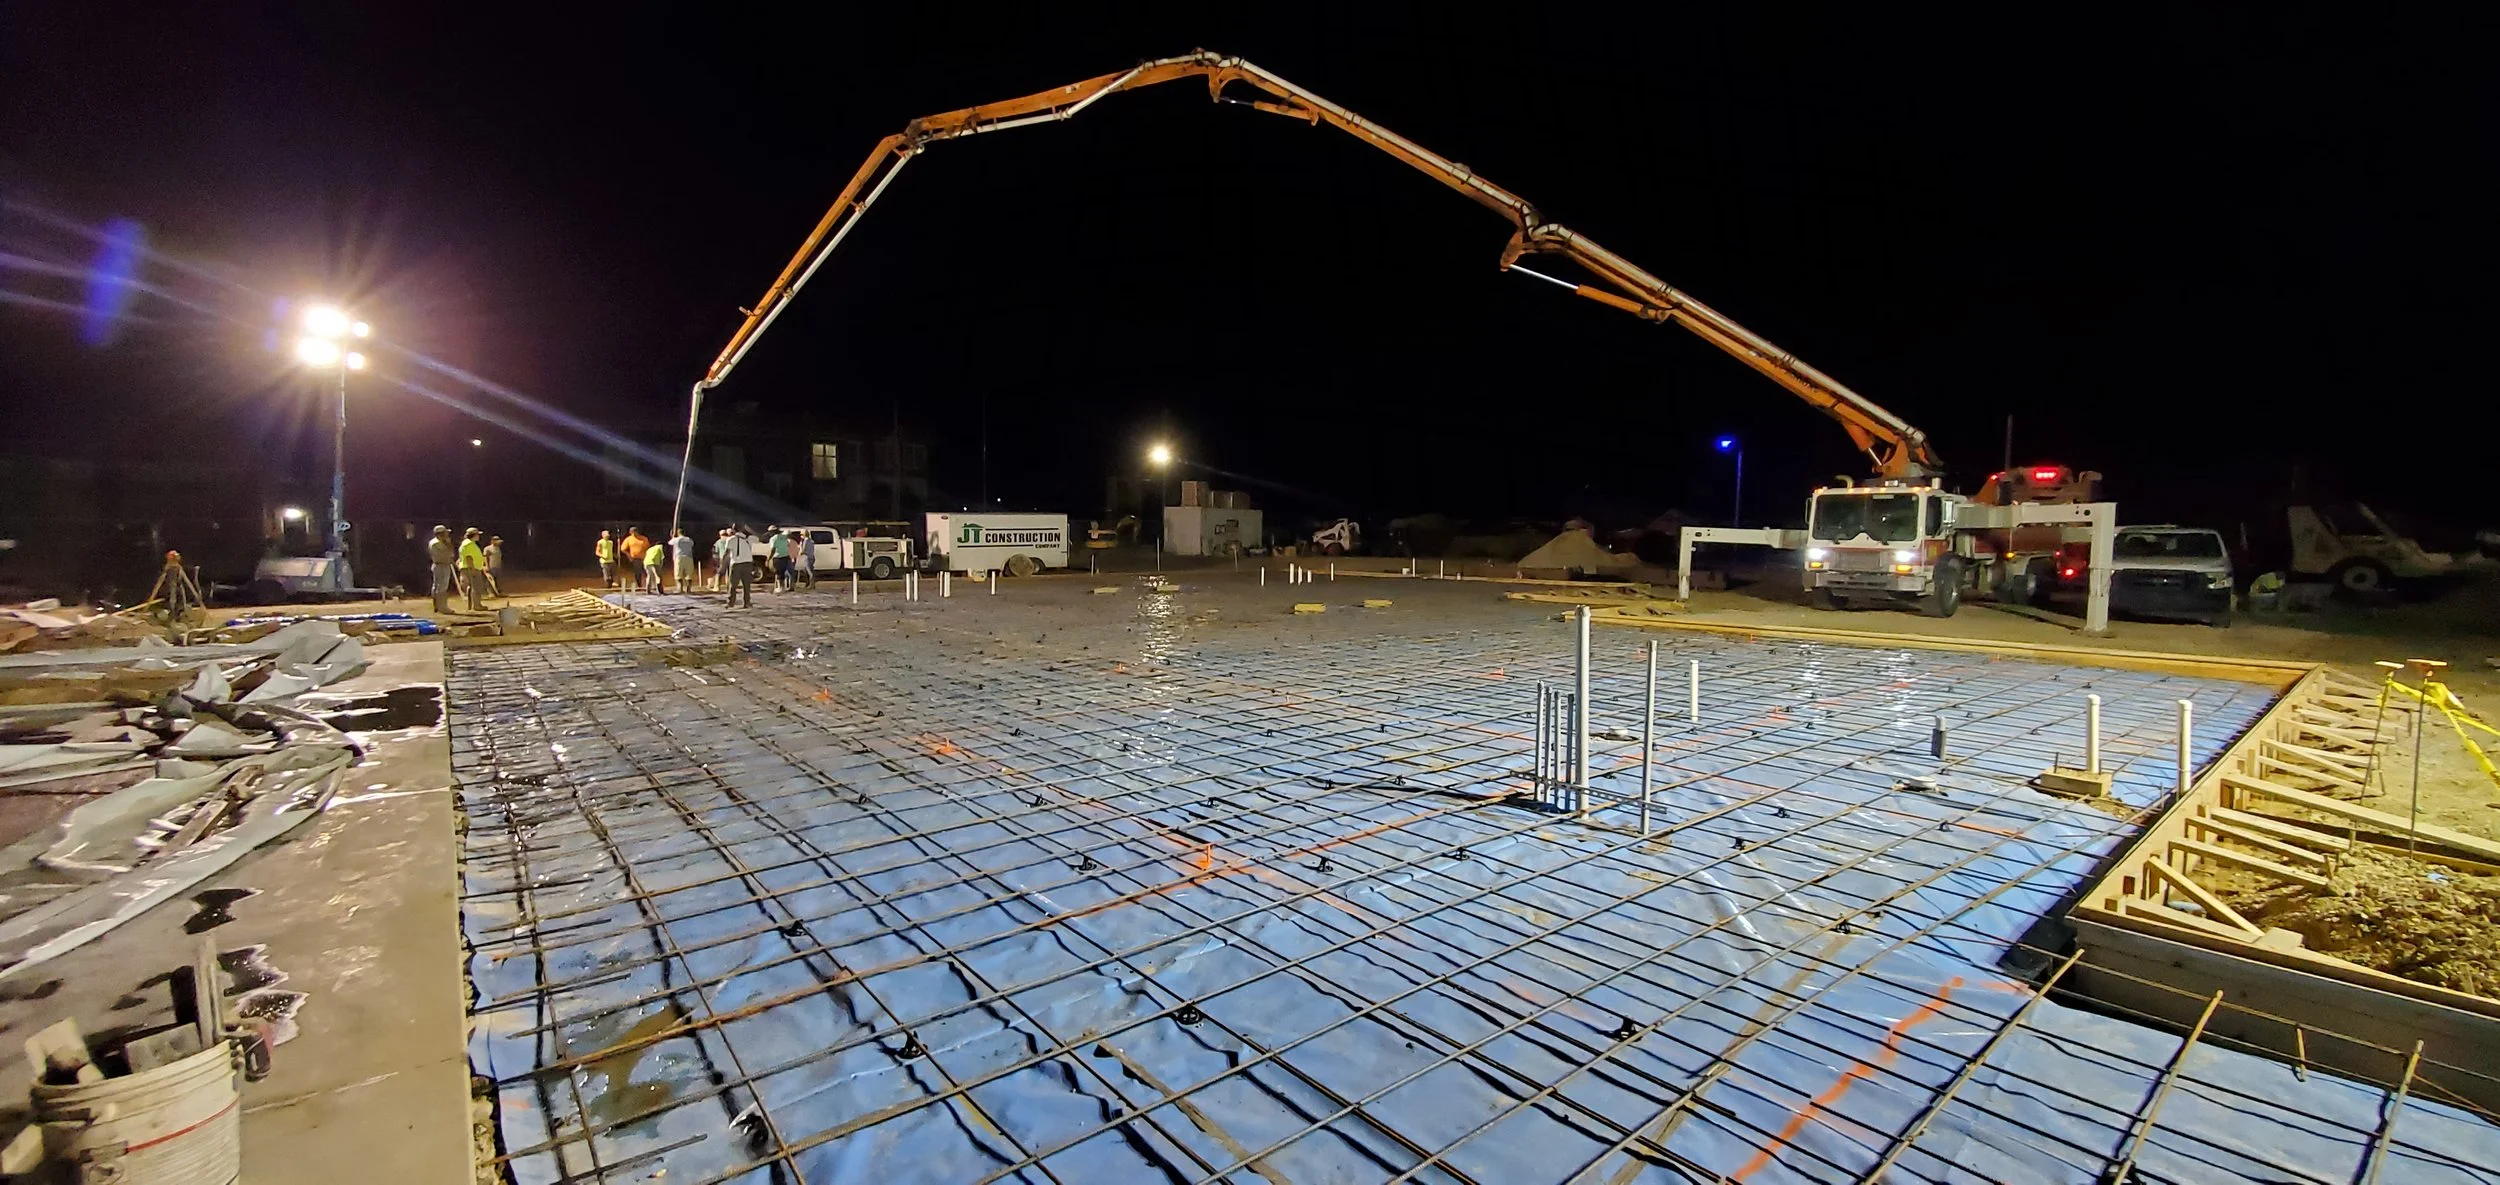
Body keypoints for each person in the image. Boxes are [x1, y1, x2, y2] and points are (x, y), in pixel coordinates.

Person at [724, 524, 758, 608]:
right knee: (747, 585)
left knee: (733, 585)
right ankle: (747, 602)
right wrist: (748, 530)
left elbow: (727, 553)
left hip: (736, 563)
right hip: (747, 563)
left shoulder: (731, 539)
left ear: (733, 530)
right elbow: (758, 537)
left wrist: (723, 564)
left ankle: (731, 602)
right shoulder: (749, 539)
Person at [427, 525, 458, 614]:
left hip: (439, 565)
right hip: (442, 565)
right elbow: (450, 553)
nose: (447, 535)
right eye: (445, 533)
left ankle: (437, 606)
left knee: (436, 586)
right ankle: (442, 607)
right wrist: (448, 543)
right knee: (442, 587)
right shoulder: (437, 543)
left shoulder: (433, 542)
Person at [458, 528, 489, 612]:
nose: (479, 536)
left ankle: (474, 605)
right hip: (471, 568)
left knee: (474, 587)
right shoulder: (469, 544)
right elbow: (468, 557)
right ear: (473, 535)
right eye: (477, 534)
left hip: (471, 567)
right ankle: (477, 605)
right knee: (476, 587)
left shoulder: (468, 543)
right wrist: (472, 568)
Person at [619, 527, 651, 592]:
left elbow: (648, 548)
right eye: (632, 532)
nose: (634, 533)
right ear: (630, 533)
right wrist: (629, 556)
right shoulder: (628, 539)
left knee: (647, 572)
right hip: (635, 559)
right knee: (638, 573)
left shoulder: (644, 538)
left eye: (635, 532)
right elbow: (623, 549)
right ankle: (640, 586)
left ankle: (649, 586)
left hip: (645, 558)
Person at [670, 526, 695, 593]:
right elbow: (692, 545)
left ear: (678, 533)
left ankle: (680, 588)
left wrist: (673, 536)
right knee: (689, 574)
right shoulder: (689, 539)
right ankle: (688, 589)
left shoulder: (676, 540)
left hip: (679, 557)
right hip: (689, 557)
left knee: (678, 573)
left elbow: (670, 543)